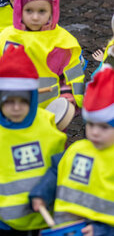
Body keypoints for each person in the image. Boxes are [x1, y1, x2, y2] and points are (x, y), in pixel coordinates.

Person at [0, 44, 66, 235]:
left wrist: (44, 193)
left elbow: (58, 167)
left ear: (32, 98)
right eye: (9, 101)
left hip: (34, 217)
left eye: (23, 101)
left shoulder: (46, 126)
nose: (16, 108)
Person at [30, 66, 114, 236]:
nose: (95, 132)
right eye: (91, 124)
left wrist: (104, 230)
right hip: (63, 226)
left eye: (104, 127)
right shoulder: (77, 149)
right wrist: (41, 194)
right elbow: (56, 172)